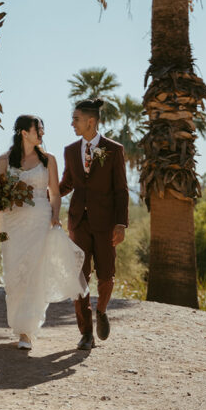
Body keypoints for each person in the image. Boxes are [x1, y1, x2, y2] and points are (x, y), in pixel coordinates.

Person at [0, 115, 88, 351]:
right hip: (13, 224)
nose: (42, 133)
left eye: (43, 129)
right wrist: (0, 224)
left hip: (39, 221)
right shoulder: (3, 161)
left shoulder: (49, 160)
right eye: (38, 129)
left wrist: (55, 215)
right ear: (24, 133)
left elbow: (55, 194)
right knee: (15, 276)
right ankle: (18, 324)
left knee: (34, 275)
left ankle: (27, 331)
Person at [59, 98, 129, 351]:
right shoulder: (69, 150)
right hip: (78, 222)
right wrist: (45, 197)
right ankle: (86, 333)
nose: (72, 123)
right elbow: (68, 183)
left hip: (106, 223)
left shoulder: (113, 149)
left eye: (76, 119)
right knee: (79, 276)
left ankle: (101, 311)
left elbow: (121, 190)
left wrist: (121, 223)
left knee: (107, 275)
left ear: (91, 121)